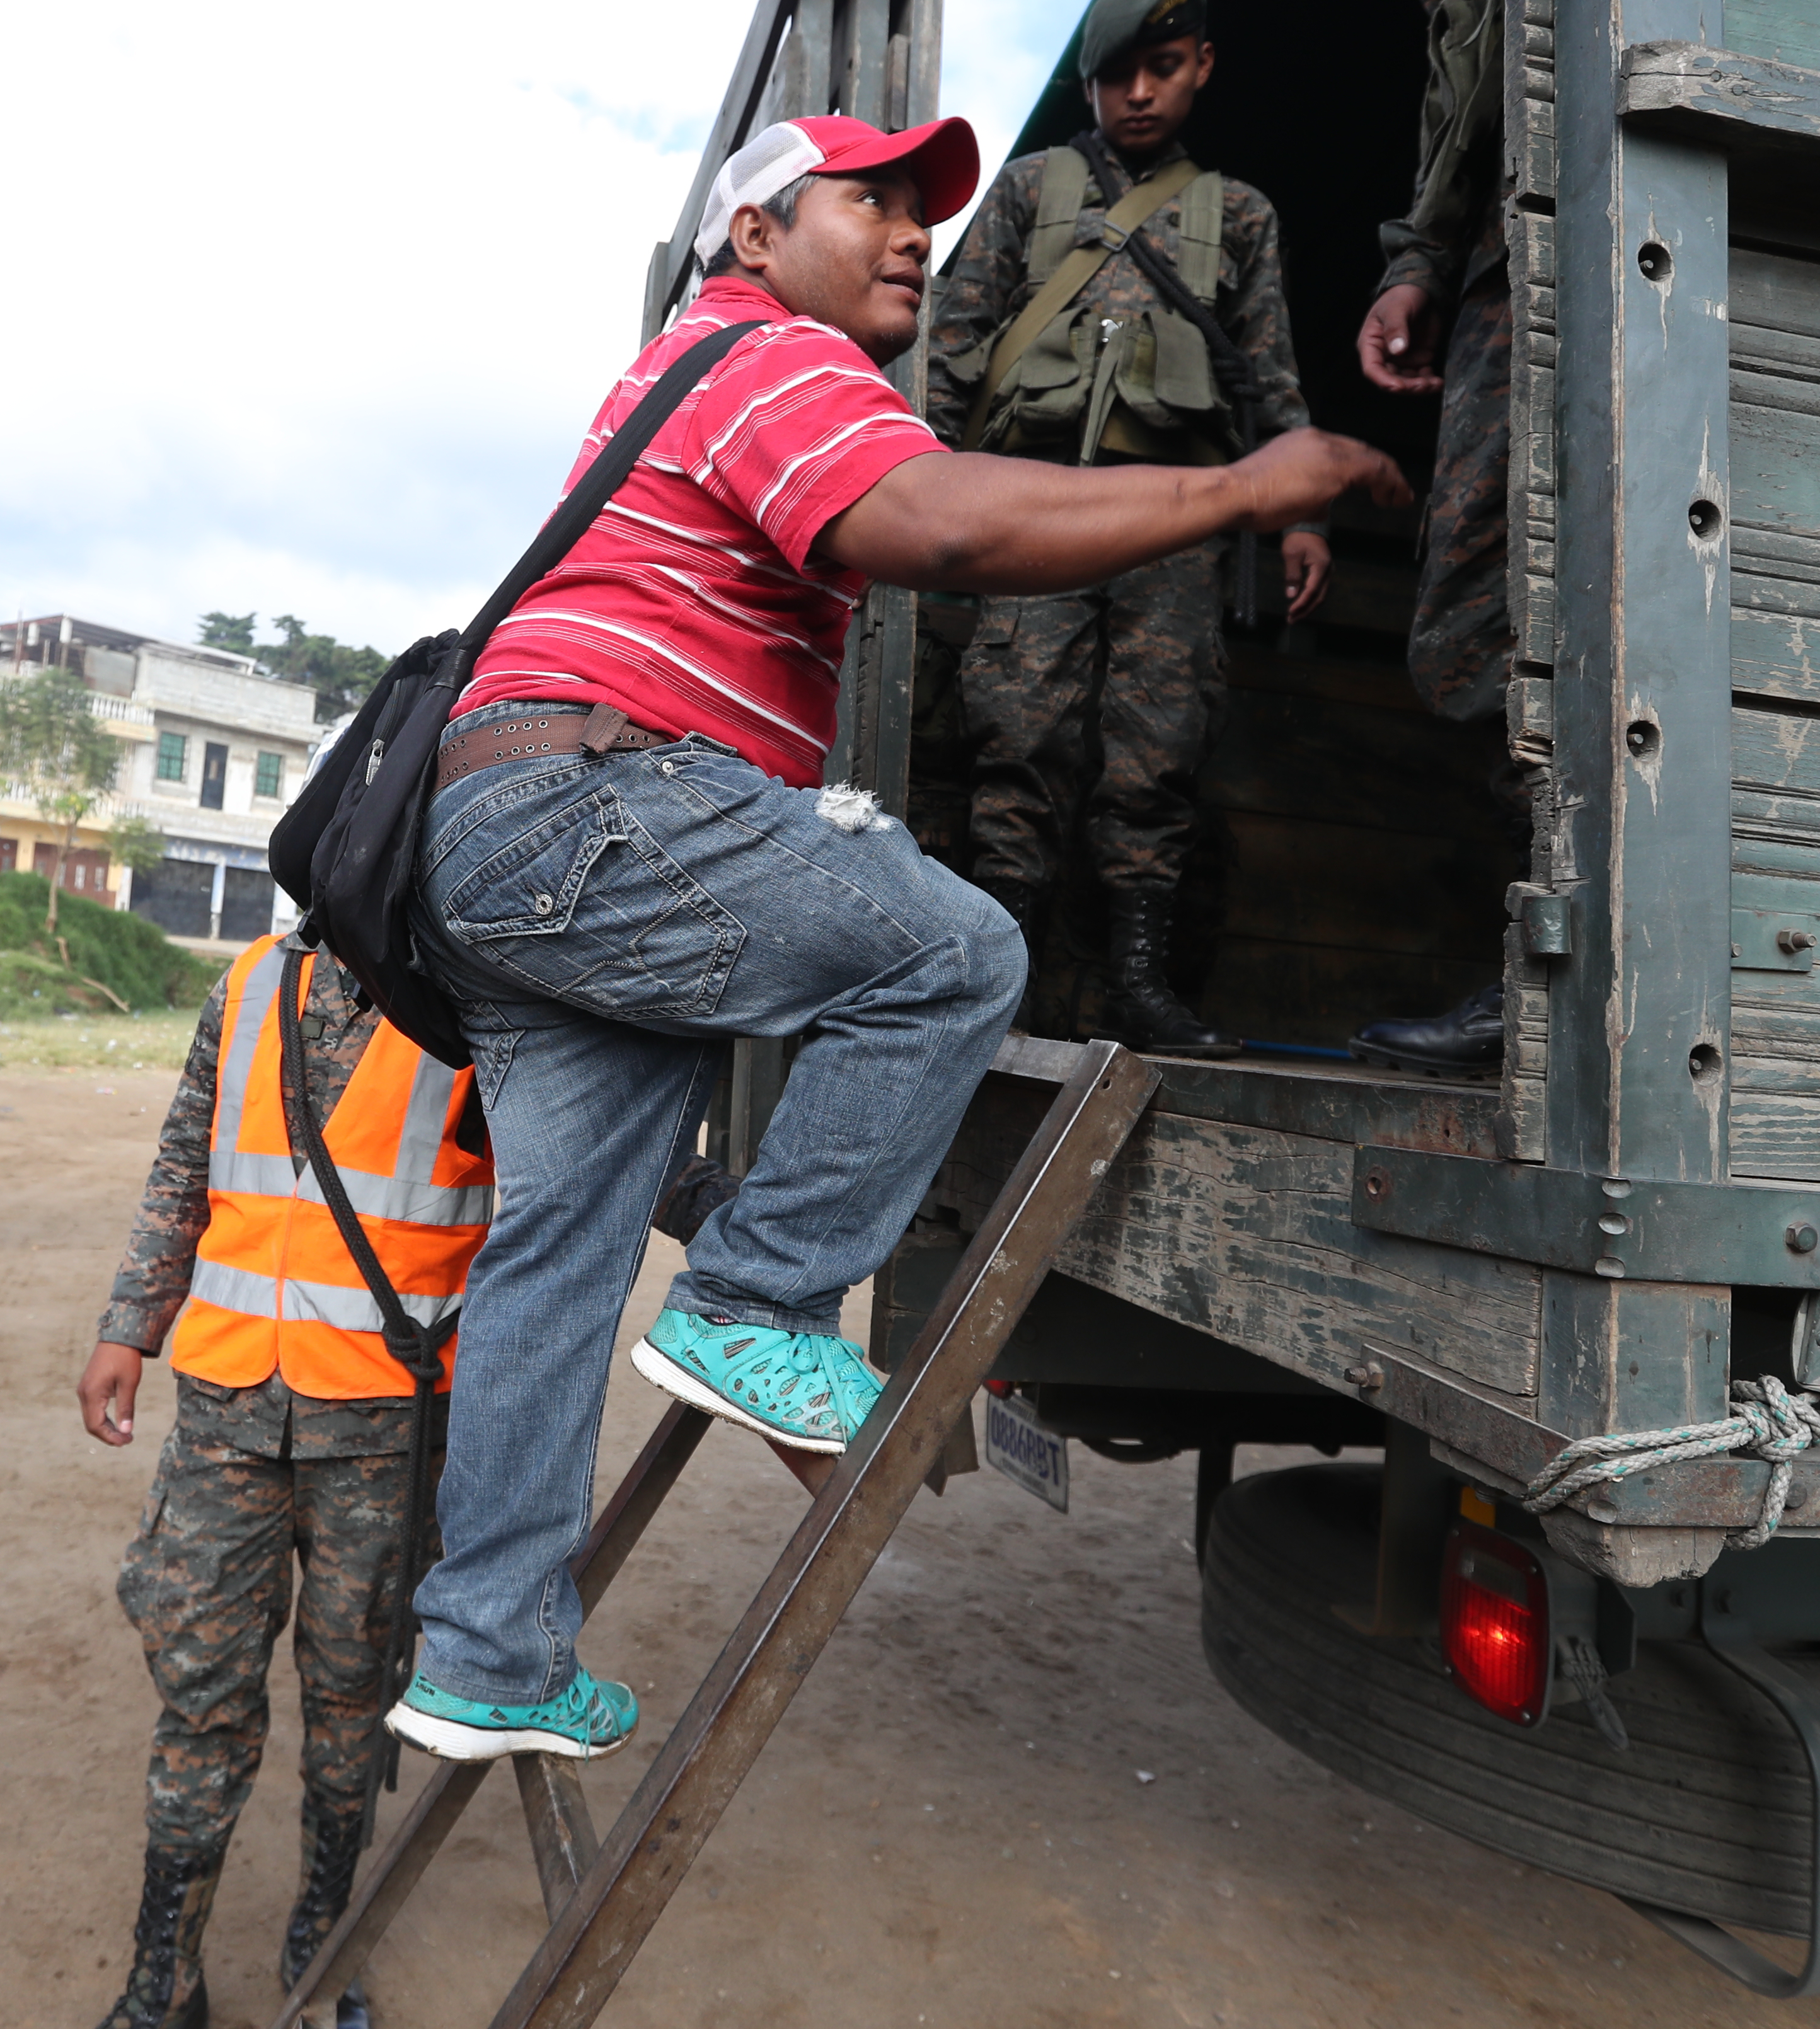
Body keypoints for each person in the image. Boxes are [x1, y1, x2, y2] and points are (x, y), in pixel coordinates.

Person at [382, 112, 1409, 1761]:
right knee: (953, 951)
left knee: (558, 1253)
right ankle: (760, 1306)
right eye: (870, 202)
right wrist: (1234, 485)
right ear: (758, 236)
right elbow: (941, 530)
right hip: (598, 803)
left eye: (925, 210)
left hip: (504, 845)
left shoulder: (691, 367)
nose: (914, 233)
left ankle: (487, 1655)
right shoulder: (766, 354)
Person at [1346, 0, 1820, 1078]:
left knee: (1703, 591)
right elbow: (1462, 58)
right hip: (1522, 248)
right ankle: (1549, 960)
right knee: (1473, 618)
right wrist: (1423, 256)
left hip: (1717, 213)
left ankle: (1678, 980)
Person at [74, 936, 493, 2029]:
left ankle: (323, 1948)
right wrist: (132, 1321)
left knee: (354, 1694)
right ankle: (160, 1980)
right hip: (225, 1399)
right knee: (199, 1690)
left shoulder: (483, 986)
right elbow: (183, 1160)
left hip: (386, 1420)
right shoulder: (255, 979)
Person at [926, 0, 1330, 1055]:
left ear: (1201, 67)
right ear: (1086, 85)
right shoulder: (1026, 191)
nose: (1139, 93)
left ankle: (1136, 990)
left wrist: (1301, 516)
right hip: (1036, 508)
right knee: (1017, 738)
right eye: (1115, 77)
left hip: (1171, 521)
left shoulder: (1237, 214)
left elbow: (1268, 375)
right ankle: (995, 986)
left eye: (1162, 67)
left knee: (1157, 752)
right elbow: (950, 350)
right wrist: (912, 481)